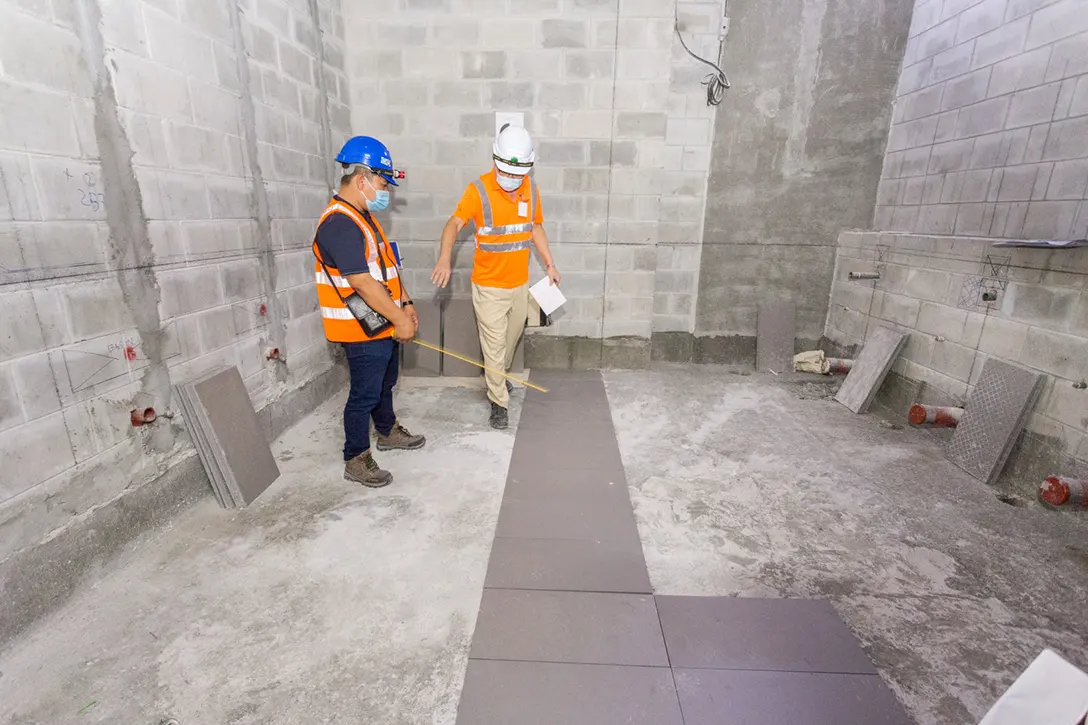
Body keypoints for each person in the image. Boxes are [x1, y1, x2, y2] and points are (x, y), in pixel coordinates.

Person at [430, 124, 560, 430]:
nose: (514, 179)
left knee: (511, 338)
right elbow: (453, 223)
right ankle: (498, 401)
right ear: (495, 160)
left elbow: (535, 227)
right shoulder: (478, 191)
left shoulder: (530, 189)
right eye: (509, 172)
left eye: (520, 173)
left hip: (519, 285)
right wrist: (444, 258)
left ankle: (497, 378)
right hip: (488, 287)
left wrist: (550, 264)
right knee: (494, 345)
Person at [312, 136, 425, 487]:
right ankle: (355, 457)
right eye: (381, 181)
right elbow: (362, 282)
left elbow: (388, 268)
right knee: (364, 394)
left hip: (381, 321)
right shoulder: (339, 224)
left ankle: (387, 431)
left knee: (385, 383)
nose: (384, 190)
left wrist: (405, 305)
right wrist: (398, 319)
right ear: (361, 179)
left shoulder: (363, 217)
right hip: (360, 329)